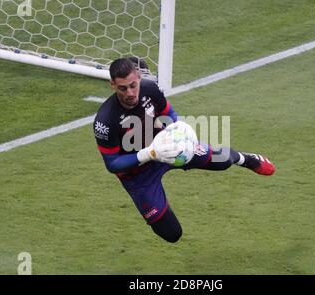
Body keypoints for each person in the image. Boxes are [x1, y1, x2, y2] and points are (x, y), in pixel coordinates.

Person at [93, 57, 275, 243]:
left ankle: (246, 159)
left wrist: (179, 127)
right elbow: (113, 164)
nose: (130, 92)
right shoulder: (105, 121)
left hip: (170, 147)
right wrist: (150, 153)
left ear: (139, 77)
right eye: (123, 88)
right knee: (171, 233)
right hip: (137, 174)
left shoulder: (150, 89)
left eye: (133, 85)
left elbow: (169, 113)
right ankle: (159, 201)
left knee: (223, 161)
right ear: (112, 85)